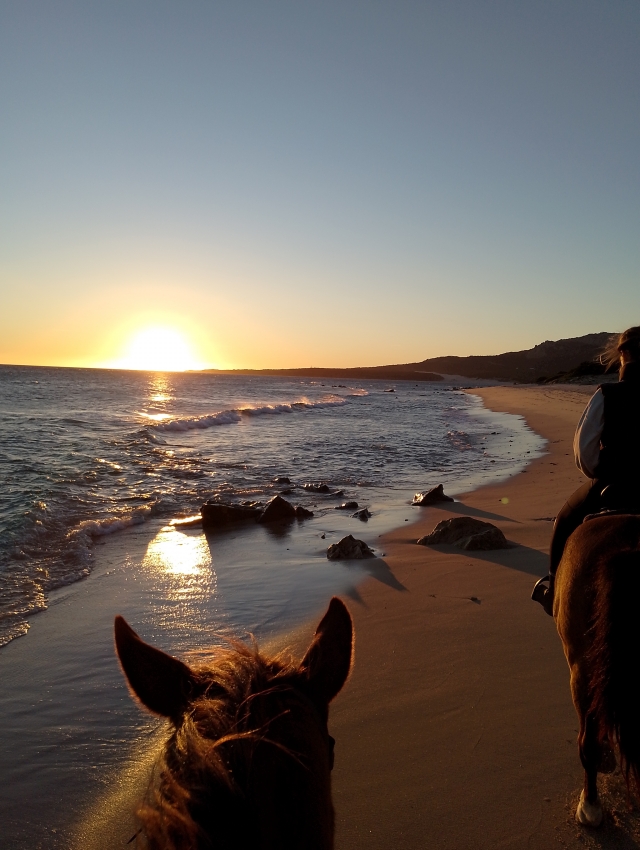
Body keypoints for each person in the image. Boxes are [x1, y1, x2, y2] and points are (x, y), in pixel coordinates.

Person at [532, 326, 640, 615]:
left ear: (623, 353)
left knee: (564, 521)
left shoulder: (607, 394)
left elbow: (585, 455)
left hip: (613, 481)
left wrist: (605, 469)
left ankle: (554, 593)